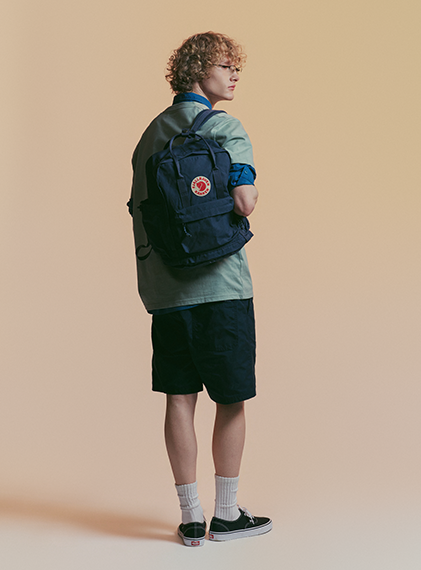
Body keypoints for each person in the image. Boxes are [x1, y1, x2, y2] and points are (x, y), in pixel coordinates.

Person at [128, 32, 272, 547]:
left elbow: (142, 215)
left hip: (166, 292)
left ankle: (190, 519)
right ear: (197, 70)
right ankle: (226, 515)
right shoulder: (225, 127)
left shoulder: (148, 137)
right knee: (230, 399)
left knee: (179, 398)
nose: (234, 74)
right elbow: (245, 201)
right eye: (225, 65)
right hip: (222, 287)